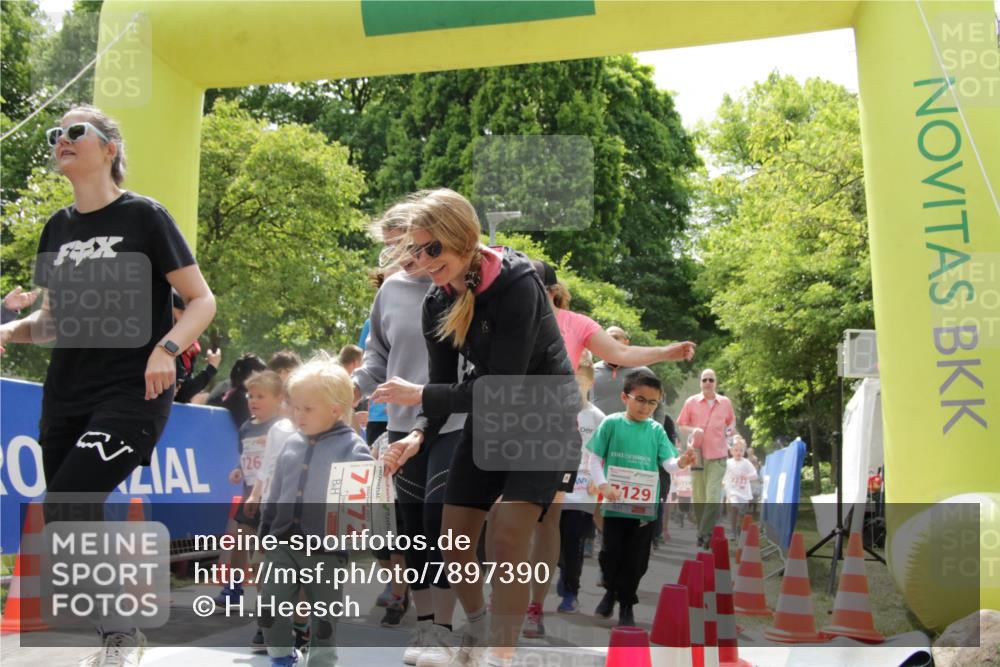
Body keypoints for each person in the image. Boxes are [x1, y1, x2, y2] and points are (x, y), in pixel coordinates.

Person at [0, 105, 216, 665]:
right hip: (65, 395)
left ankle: (120, 635)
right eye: (56, 134)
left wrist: (166, 349)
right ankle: (117, 629)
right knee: (66, 510)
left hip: (131, 391)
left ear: (110, 148)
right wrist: (5, 330)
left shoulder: (145, 216)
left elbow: (201, 300)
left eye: (77, 132)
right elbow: (50, 322)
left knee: (71, 497)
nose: (62, 141)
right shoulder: (56, 227)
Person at [372, 188, 580, 667]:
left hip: (543, 417)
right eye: (415, 250)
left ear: (462, 238)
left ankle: (501, 654)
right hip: (489, 422)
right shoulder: (435, 301)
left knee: (507, 532)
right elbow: (446, 384)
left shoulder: (517, 284)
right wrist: (418, 435)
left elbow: (500, 385)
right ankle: (481, 630)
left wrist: (419, 395)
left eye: (432, 248)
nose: (423, 260)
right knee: (453, 538)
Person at [521, 265, 695, 637]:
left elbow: (621, 352)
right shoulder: (504, 317)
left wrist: (667, 351)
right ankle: (505, 598)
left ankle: (539, 603)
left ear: (553, 291)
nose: (526, 293)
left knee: (556, 524)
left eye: (535, 287)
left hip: (562, 438)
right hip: (512, 431)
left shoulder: (578, 325)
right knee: (510, 522)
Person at [352, 201, 464, 658]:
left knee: (443, 524)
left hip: (454, 420)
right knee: (410, 531)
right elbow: (377, 354)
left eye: (408, 244)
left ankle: (444, 625)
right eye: (392, 247)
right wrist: (351, 386)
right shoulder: (391, 290)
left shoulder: (459, 285)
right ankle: (425, 627)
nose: (402, 255)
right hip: (399, 424)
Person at [259, 356, 371, 667]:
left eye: (308, 409)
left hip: (326, 551)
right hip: (283, 544)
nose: (298, 415)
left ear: (335, 410)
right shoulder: (290, 445)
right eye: (296, 407)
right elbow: (276, 491)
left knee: (324, 621)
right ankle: (282, 658)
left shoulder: (352, 447)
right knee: (269, 608)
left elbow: (365, 494)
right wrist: (265, 532)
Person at [586, 370, 696, 625]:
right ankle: (611, 590)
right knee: (610, 554)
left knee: (637, 559)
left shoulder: (657, 430)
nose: (645, 407)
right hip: (614, 506)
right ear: (625, 397)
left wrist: (682, 461)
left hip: (643, 508)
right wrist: (603, 485)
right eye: (640, 399)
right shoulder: (611, 424)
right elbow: (594, 459)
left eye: (652, 402)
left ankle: (626, 605)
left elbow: (668, 464)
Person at [215, 370, 284, 607]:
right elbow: (244, 455)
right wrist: (238, 469)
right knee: (240, 540)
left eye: (261, 396)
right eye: (251, 396)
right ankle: (234, 586)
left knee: (264, 550)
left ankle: (268, 597)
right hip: (249, 496)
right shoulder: (246, 427)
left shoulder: (282, 427)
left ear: (278, 399)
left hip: (273, 498)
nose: (253, 401)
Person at [554, 352, 604, 614]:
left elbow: (604, 454)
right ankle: (561, 573)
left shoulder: (598, 418)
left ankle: (570, 591)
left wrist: (601, 481)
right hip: (555, 489)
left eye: (581, 382)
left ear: (590, 384)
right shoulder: (555, 412)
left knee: (573, 542)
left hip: (583, 492)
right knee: (555, 541)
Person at [676, 368, 736, 548]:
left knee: (712, 496)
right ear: (700, 383)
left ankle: (703, 533)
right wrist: (692, 430)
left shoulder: (725, 402)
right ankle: (704, 531)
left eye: (711, 380)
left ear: (716, 382)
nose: (708, 383)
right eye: (705, 380)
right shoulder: (691, 402)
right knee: (699, 498)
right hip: (697, 456)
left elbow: (731, 421)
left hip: (718, 456)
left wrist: (730, 430)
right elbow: (681, 425)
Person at [171, 290, 222, 403]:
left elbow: (183, 390)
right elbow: (183, 393)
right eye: (181, 313)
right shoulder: (166, 347)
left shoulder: (187, 351)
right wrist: (211, 368)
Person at [723, 435, 757, 539]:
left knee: (742, 512)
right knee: (734, 508)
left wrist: (747, 476)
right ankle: (733, 530)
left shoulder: (746, 463)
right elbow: (724, 474)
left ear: (744, 452)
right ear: (731, 451)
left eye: (741, 450)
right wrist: (723, 482)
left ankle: (739, 528)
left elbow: (755, 474)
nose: (738, 452)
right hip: (732, 492)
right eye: (736, 450)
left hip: (743, 492)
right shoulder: (728, 462)